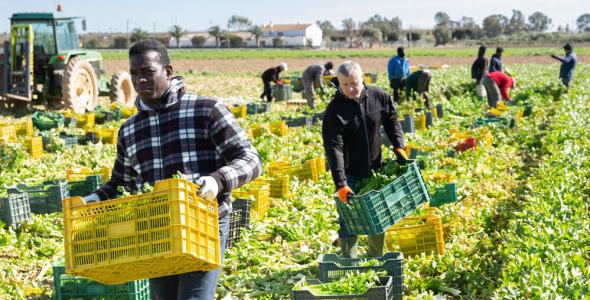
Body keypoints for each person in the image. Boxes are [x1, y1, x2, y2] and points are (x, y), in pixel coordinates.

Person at [81, 39, 262, 299]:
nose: (140, 80)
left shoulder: (206, 110)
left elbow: (251, 159)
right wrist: (95, 198)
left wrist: (217, 181)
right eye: (134, 73)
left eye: (147, 72)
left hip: (203, 224)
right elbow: (122, 183)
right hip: (157, 230)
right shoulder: (130, 130)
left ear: (167, 71)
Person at [322, 60, 408, 259]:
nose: (351, 88)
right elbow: (334, 148)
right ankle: (350, 262)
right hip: (351, 173)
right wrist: (341, 183)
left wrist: (398, 145)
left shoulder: (379, 97)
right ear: (339, 83)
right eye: (345, 85)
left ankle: (374, 258)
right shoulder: (335, 111)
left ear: (363, 78)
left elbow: (391, 119)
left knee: (377, 215)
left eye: (355, 83)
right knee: (348, 219)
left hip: (376, 170)